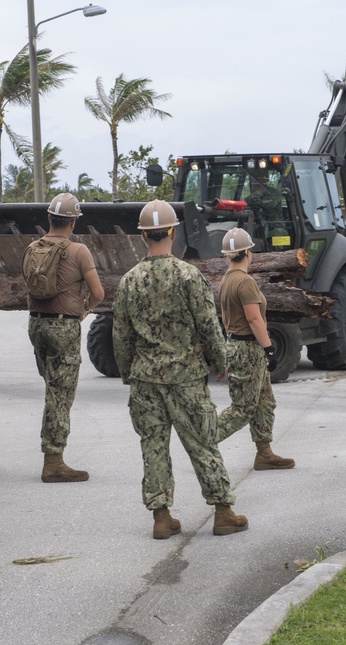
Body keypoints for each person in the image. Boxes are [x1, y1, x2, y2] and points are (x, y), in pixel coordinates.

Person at [113, 200, 248, 540]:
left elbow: (120, 334)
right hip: (185, 377)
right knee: (202, 442)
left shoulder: (129, 281)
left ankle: (161, 517)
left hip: (145, 379)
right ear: (173, 231)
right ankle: (222, 511)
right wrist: (221, 362)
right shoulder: (189, 276)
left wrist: (128, 371)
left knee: (153, 445)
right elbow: (208, 325)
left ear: (144, 236)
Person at [25, 192, 104, 482]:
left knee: (52, 389)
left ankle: (52, 454)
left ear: (49, 218)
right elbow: (98, 294)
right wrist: (84, 310)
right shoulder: (78, 251)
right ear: (73, 223)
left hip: (36, 326)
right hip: (63, 328)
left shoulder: (32, 248)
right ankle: (53, 461)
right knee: (60, 395)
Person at [215, 227, 295, 470]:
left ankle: (264, 453)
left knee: (264, 401)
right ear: (248, 252)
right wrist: (269, 348)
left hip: (238, 345)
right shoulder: (245, 281)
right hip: (247, 348)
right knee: (242, 408)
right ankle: (204, 440)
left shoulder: (227, 279)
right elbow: (254, 319)